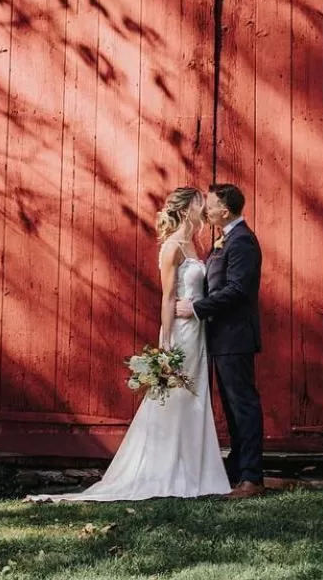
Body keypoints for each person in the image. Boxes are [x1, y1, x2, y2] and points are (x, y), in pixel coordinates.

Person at [26, 187, 231, 503]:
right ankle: (165, 469)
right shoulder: (172, 247)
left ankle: (196, 469)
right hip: (182, 334)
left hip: (199, 331)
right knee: (175, 395)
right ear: (186, 208)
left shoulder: (195, 243)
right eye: (199, 203)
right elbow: (166, 297)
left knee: (195, 395)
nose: (204, 207)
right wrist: (166, 342)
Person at [175, 183, 265, 498]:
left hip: (235, 336)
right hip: (221, 337)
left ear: (223, 211)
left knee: (243, 405)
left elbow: (238, 290)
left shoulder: (241, 242)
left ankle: (252, 477)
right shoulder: (224, 239)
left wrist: (196, 308)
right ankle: (238, 471)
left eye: (210, 205)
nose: (205, 209)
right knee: (232, 407)